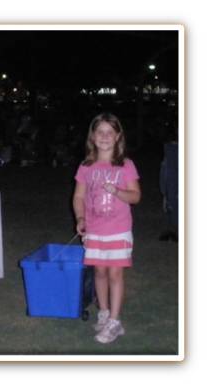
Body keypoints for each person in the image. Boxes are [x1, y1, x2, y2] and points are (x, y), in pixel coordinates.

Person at [72, 113, 141, 344]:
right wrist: (81, 218)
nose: (104, 136)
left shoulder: (126, 165)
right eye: (99, 132)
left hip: (119, 229)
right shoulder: (86, 166)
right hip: (95, 229)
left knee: (115, 273)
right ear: (92, 136)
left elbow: (135, 196)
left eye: (109, 132)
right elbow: (78, 196)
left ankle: (115, 321)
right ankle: (103, 312)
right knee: (99, 272)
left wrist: (117, 192)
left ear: (117, 136)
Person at [159, 126, 178, 242]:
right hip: (171, 186)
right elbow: (165, 172)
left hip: (172, 185)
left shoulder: (171, 150)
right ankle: (173, 231)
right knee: (172, 207)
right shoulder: (170, 150)